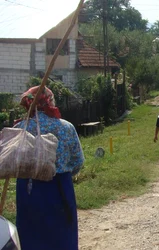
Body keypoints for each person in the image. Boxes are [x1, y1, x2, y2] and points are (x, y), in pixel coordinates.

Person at [14, 85, 84, 250]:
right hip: (59, 187)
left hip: (28, 188)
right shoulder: (66, 127)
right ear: (50, 102)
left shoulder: (20, 129)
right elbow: (77, 160)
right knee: (62, 234)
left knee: (31, 233)